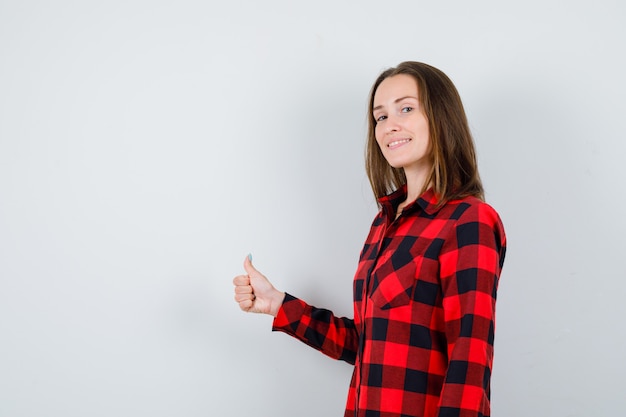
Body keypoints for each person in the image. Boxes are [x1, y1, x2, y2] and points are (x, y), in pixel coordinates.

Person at [233, 61, 507, 417]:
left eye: (406, 108)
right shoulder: (385, 222)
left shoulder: (469, 221)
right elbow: (368, 345)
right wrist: (279, 304)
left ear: (441, 117)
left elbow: (469, 361)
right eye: (380, 117)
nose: (389, 125)